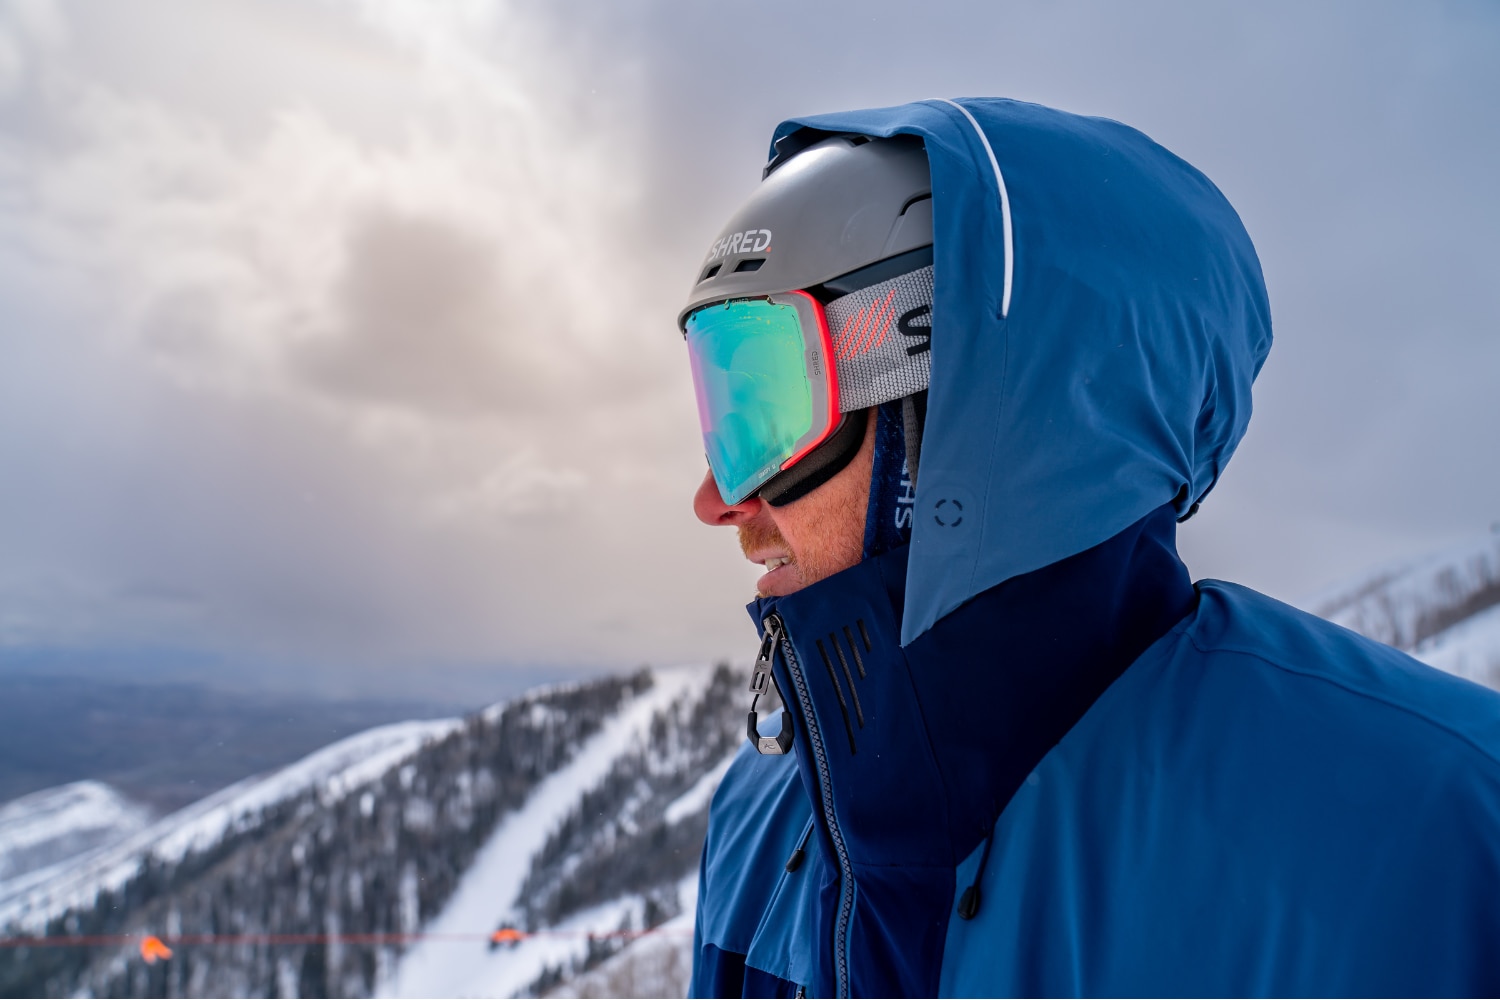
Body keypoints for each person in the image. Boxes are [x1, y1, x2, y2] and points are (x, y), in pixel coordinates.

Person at [679, 98, 1500, 998]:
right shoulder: (760, 819)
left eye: (765, 410)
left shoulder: (1437, 843)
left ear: (968, 420)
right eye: (723, 410)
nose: (719, 501)